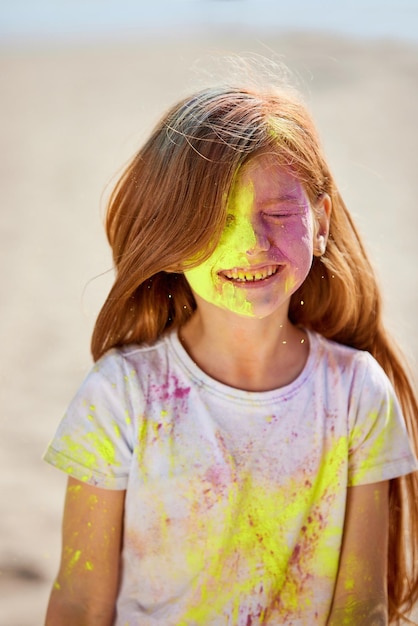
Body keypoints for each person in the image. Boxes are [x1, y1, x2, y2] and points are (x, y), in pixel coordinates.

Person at [44, 81, 418, 626]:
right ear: (169, 238)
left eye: (279, 214)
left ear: (322, 221)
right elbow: (80, 601)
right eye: (214, 221)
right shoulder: (119, 395)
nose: (251, 245)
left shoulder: (358, 393)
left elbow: (362, 607)